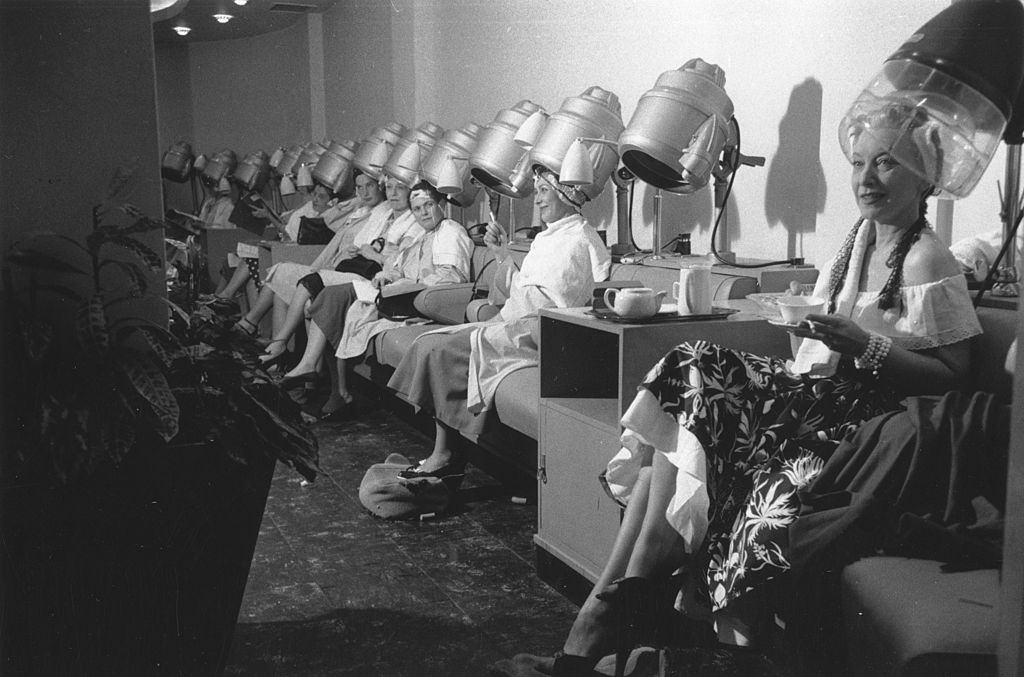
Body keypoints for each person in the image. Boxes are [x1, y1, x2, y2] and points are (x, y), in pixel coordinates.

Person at [491, 102, 983, 677]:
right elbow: (818, 348)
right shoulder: (856, 245)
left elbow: (955, 376)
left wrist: (863, 347)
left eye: (886, 165)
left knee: (690, 396)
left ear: (923, 175)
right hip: (813, 398)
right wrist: (811, 329)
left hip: (862, 428)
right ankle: (612, 610)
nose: (866, 180)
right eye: (857, 163)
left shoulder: (927, 259)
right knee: (685, 396)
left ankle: (600, 624)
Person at [385, 167, 610, 481]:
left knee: (439, 348)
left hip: (540, 335)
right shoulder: (549, 236)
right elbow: (523, 289)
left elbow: (570, 301)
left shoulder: (580, 238)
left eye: (544, 191)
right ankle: (448, 452)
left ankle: (445, 455)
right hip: (514, 322)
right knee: (428, 341)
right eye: (538, 191)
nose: (539, 201)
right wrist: (502, 254)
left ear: (565, 194)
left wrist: (511, 314)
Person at [278, 180, 474, 419]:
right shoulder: (425, 235)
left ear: (441, 203)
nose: (423, 213)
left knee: (333, 296)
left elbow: (450, 278)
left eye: (428, 205)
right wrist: (386, 276)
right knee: (330, 298)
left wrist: (405, 286)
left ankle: (322, 378)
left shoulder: (450, 231)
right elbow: (399, 266)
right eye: (417, 209)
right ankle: (325, 380)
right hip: (397, 294)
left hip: (420, 302)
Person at [247, 173, 421, 362]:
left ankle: (276, 345)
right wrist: (358, 203)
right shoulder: (380, 214)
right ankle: (280, 354)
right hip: (347, 267)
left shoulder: (406, 219)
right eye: (389, 187)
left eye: (400, 188)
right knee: (282, 280)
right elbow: (333, 219)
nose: (393, 193)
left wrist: (371, 254)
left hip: (368, 277)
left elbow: (398, 263)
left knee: (303, 286)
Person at [219, 171, 387, 344]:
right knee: (281, 287)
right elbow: (330, 218)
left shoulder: (383, 214)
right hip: (333, 266)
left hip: (349, 272)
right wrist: (354, 201)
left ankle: (252, 325)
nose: (365, 192)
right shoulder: (359, 211)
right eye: (360, 187)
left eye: (370, 186)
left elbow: (372, 247)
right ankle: (273, 345)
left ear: (380, 186)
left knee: (281, 272)